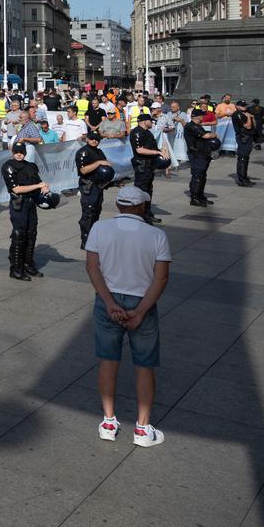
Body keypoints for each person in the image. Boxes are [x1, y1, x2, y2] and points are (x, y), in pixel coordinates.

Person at [84, 185, 171, 449]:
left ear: (119, 205)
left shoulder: (99, 228)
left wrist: (109, 303)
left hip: (107, 300)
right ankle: (142, 429)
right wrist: (141, 311)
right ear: (143, 206)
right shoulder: (157, 235)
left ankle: (109, 422)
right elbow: (161, 277)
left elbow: (92, 267)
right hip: (141, 301)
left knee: (108, 362)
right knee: (144, 365)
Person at [1, 141, 49, 281]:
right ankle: (16, 268)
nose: (19, 154)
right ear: (12, 152)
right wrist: (38, 186)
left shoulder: (31, 166)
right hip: (19, 204)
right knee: (19, 234)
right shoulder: (8, 166)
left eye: (21, 152)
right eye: (16, 152)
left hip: (31, 203)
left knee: (31, 233)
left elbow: (39, 182)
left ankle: (28, 264)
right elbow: (16, 189)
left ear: (25, 153)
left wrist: (44, 188)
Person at [75, 129, 111, 249]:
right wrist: (99, 163)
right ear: (87, 139)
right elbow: (83, 170)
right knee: (88, 213)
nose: (94, 141)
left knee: (96, 211)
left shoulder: (99, 151)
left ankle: (94, 237)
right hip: (88, 185)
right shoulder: (83, 152)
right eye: (92, 138)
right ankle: (85, 240)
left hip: (98, 185)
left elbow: (105, 164)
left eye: (97, 139)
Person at [128, 113, 164, 224]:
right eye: (150, 121)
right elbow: (139, 150)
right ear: (144, 121)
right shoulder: (137, 132)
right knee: (141, 191)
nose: (152, 123)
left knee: (148, 190)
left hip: (149, 165)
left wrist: (161, 153)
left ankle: (147, 213)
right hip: (141, 165)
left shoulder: (147, 132)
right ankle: (139, 215)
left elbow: (152, 148)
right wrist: (157, 152)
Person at [183, 115, 218, 207]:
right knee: (198, 175)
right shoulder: (191, 126)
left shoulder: (198, 125)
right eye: (202, 115)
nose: (203, 117)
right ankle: (194, 198)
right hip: (196, 153)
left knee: (202, 176)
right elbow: (205, 135)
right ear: (198, 116)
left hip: (202, 153)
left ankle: (200, 196)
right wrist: (214, 135)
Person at [231, 102, 257, 187]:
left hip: (248, 137)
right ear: (237, 106)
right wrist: (249, 117)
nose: (244, 107)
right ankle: (242, 180)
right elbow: (248, 126)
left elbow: (254, 126)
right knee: (242, 158)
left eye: (245, 105)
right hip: (243, 137)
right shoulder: (237, 114)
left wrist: (251, 117)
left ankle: (245, 178)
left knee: (245, 158)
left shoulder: (244, 113)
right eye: (242, 105)